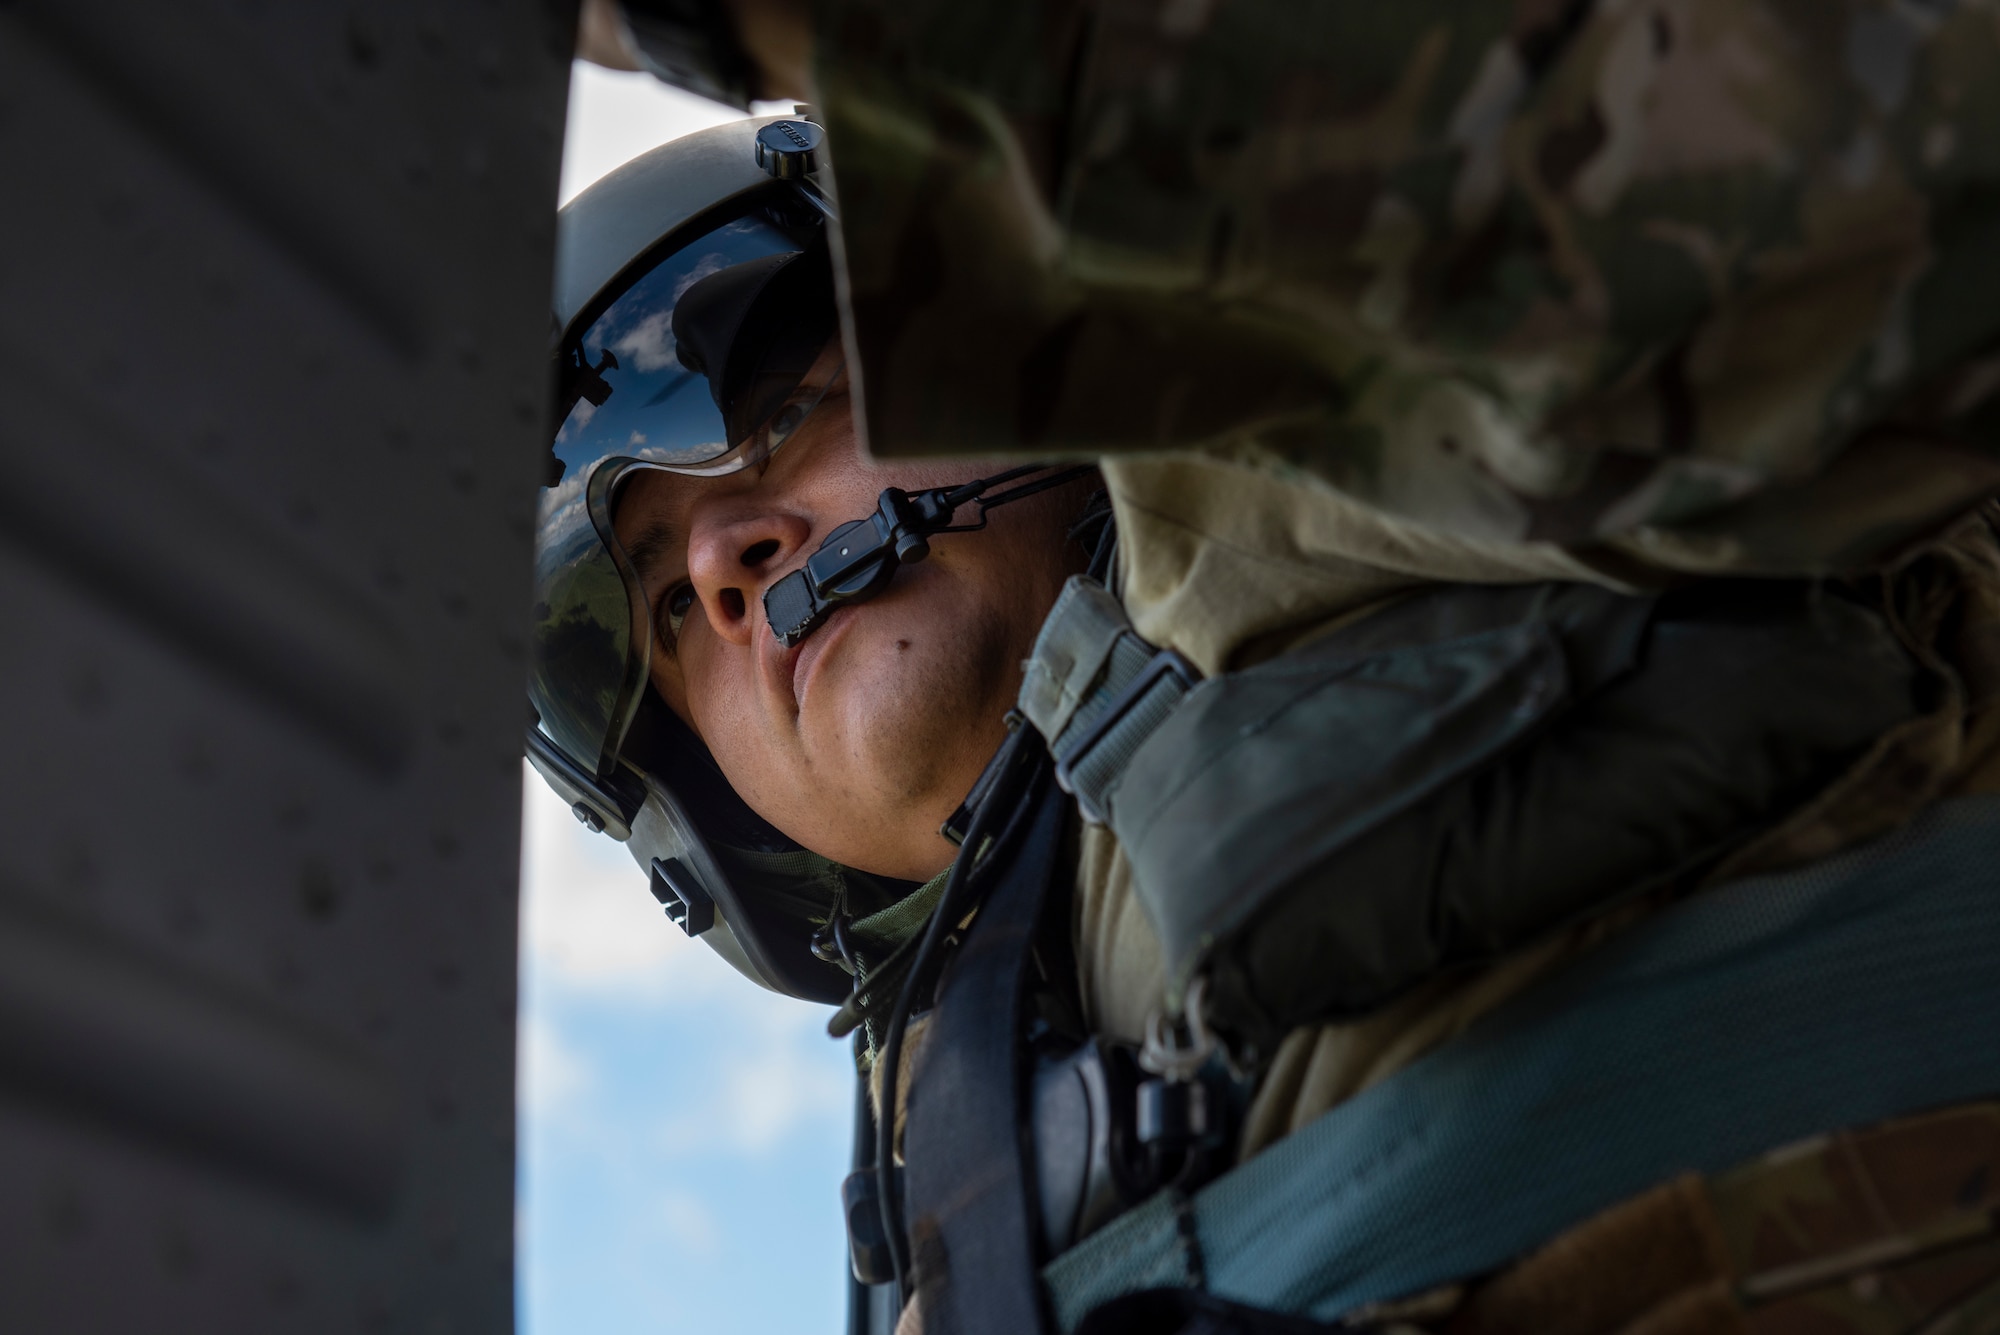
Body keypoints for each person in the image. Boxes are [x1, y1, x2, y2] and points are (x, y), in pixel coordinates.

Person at [541, 7, 2000, 1327]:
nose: (727, 555)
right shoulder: (926, 1211)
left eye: (789, 411)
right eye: (668, 602)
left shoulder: (1342, 466)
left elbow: (1760, 194)